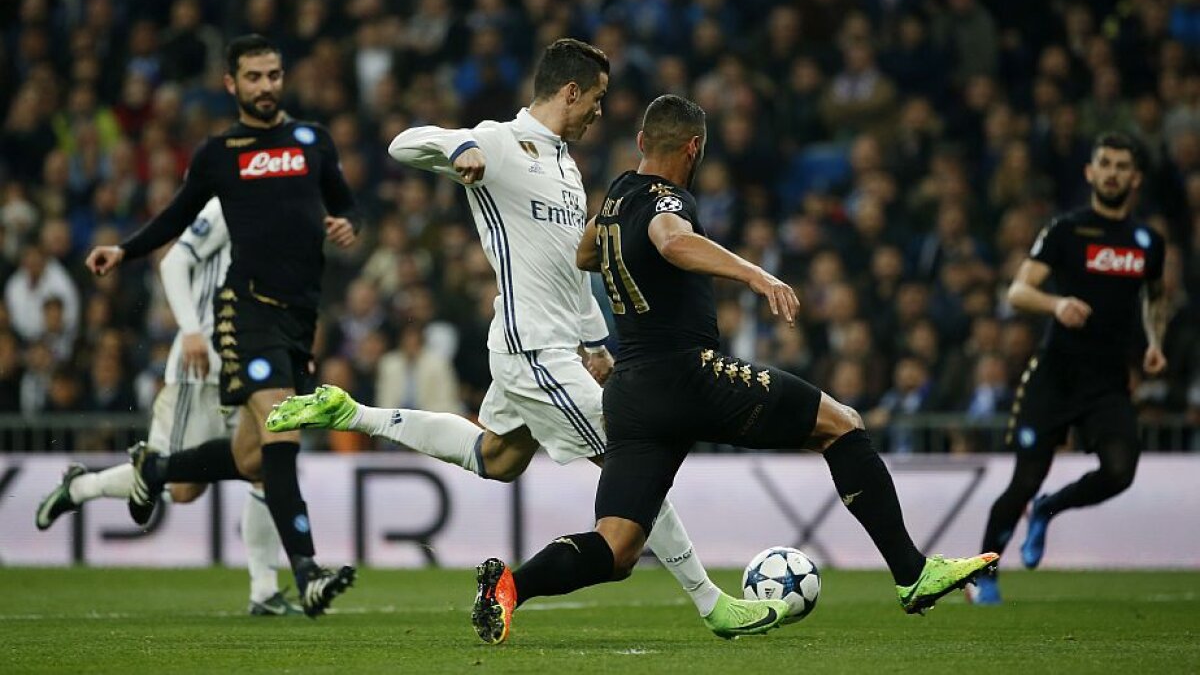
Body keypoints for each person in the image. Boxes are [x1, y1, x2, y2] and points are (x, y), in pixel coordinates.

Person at [267, 39, 768, 637]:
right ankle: (713, 603)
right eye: (598, 100)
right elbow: (403, 144)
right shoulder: (500, 141)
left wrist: (596, 342)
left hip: (552, 347)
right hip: (533, 349)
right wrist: (464, 146)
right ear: (570, 92)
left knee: (497, 458)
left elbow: (573, 269)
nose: (601, 113)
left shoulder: (565, 167)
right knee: (633, 455)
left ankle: (355, 413)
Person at [470, 94, 999, 645]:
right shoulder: (667, 197)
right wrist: (755, 275)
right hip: (690, 376)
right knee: (841, 423)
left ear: (642, 143)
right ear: (695, 147)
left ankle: (510, 586)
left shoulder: (619, 196)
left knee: (618, 546)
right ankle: (912, 574)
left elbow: (584, 254)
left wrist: (619, 245)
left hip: (632, 392)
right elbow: (671, 239)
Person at [83, 35, 359, 617]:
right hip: (245, 312)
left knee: (255, 456)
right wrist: (124, 250)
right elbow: (176, 217)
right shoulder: (220, 152)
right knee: (284, 431)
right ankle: (306, 571)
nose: (267, 86)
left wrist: (345, 226)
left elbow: (344, 203)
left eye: (274, 74)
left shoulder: (312, 140)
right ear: (231, 84)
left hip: (298, 319)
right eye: (254, 77)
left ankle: (155, 467)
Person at [35, 199, 299, 616]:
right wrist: (192, 332)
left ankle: (264, 591)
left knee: (267, 461)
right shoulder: (227, 201)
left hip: (252, 364)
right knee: (184, 488)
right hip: (203, 367)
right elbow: (174, 263)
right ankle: (87, 486)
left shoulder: (286, 211)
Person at [971, 132, 1167, 605]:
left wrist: (1155, 343)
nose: (1113, 172)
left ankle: (1050, 509)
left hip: (1108, 381)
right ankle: (985, 576)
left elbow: (1154, 298)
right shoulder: (1067, 230)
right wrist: (1057, 304)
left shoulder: (1147, 241)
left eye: (1123, 165)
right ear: (1090, 172)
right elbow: (1018, 291)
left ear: (1135, 177)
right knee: (1024, 479)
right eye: (1106, 163)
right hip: (1055, 375)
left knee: (1121, 471)